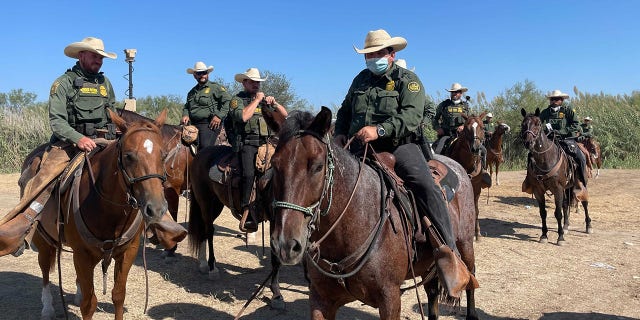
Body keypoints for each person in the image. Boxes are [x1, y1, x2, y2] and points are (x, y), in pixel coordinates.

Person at [333, 29, 472, 297]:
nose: (372, 58)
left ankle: (449, 252)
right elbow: (345, 110)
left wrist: (380, 130)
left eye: (377, 54)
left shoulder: (408, 81)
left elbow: (411, 115)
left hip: (399, 145)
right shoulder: (360, 80)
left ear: (391, 54)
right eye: (368, 55)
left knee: (425, 185)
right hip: (360, 145)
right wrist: (340, 132)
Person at [0, 37, 119, 256]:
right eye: (95, 56)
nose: (99, 61)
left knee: (134, 167)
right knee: (42, 178)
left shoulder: (105, 84)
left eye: (101, 57)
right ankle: (22, 230)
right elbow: (57, 120)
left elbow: (111, 113)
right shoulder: (63, 83)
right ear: (81, 55)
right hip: (68, 144)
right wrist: (78, 139)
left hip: (102, 141)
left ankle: (156, 224)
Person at [227, 68, 288, 232]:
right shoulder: (237, 100)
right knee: (249, 174)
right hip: (247, 143)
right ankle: (247, 209)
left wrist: (274, 104)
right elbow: (243, 117)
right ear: (244, 83)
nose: (256, 84)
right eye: (252, 81)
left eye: (257, 82)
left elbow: (285, 117)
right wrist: (256, 100)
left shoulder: (264, 101)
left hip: (267, 144)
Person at [539, 90, 588, 187]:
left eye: (557, 99)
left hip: (566, 139)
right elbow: (538, 124)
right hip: (549, 139)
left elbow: (576, 125)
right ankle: (531, 181)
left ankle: (582, 181)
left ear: (561, 100)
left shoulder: (568, 111)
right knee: (532, 154)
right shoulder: (545, 112)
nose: (554, 101)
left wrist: (562, 131)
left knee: (581, 158)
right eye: (552, 99)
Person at [182, 61, 231, 151]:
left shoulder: (215, 87)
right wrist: (185, 115)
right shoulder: (191, 92)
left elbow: (228, 101)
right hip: (193, 124)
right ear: (194, 75)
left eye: (204, 73)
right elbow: (186, 107)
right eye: (199, 73)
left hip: (209, 124)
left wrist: (219, 116)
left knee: (204, 149)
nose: (202, 75)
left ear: (207, 74)